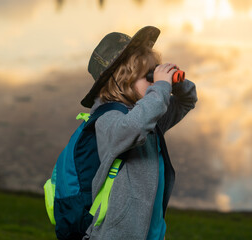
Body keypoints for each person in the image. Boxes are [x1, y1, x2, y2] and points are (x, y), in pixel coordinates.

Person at [81, 26, 198, 240]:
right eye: (149, 76)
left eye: (155, 73)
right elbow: (133, 128)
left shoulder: (149, 117)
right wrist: (161, 87)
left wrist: (176, 83)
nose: (156, 82)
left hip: (150, 232)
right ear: (122, 80)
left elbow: (186, 101)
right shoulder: (107, 120)